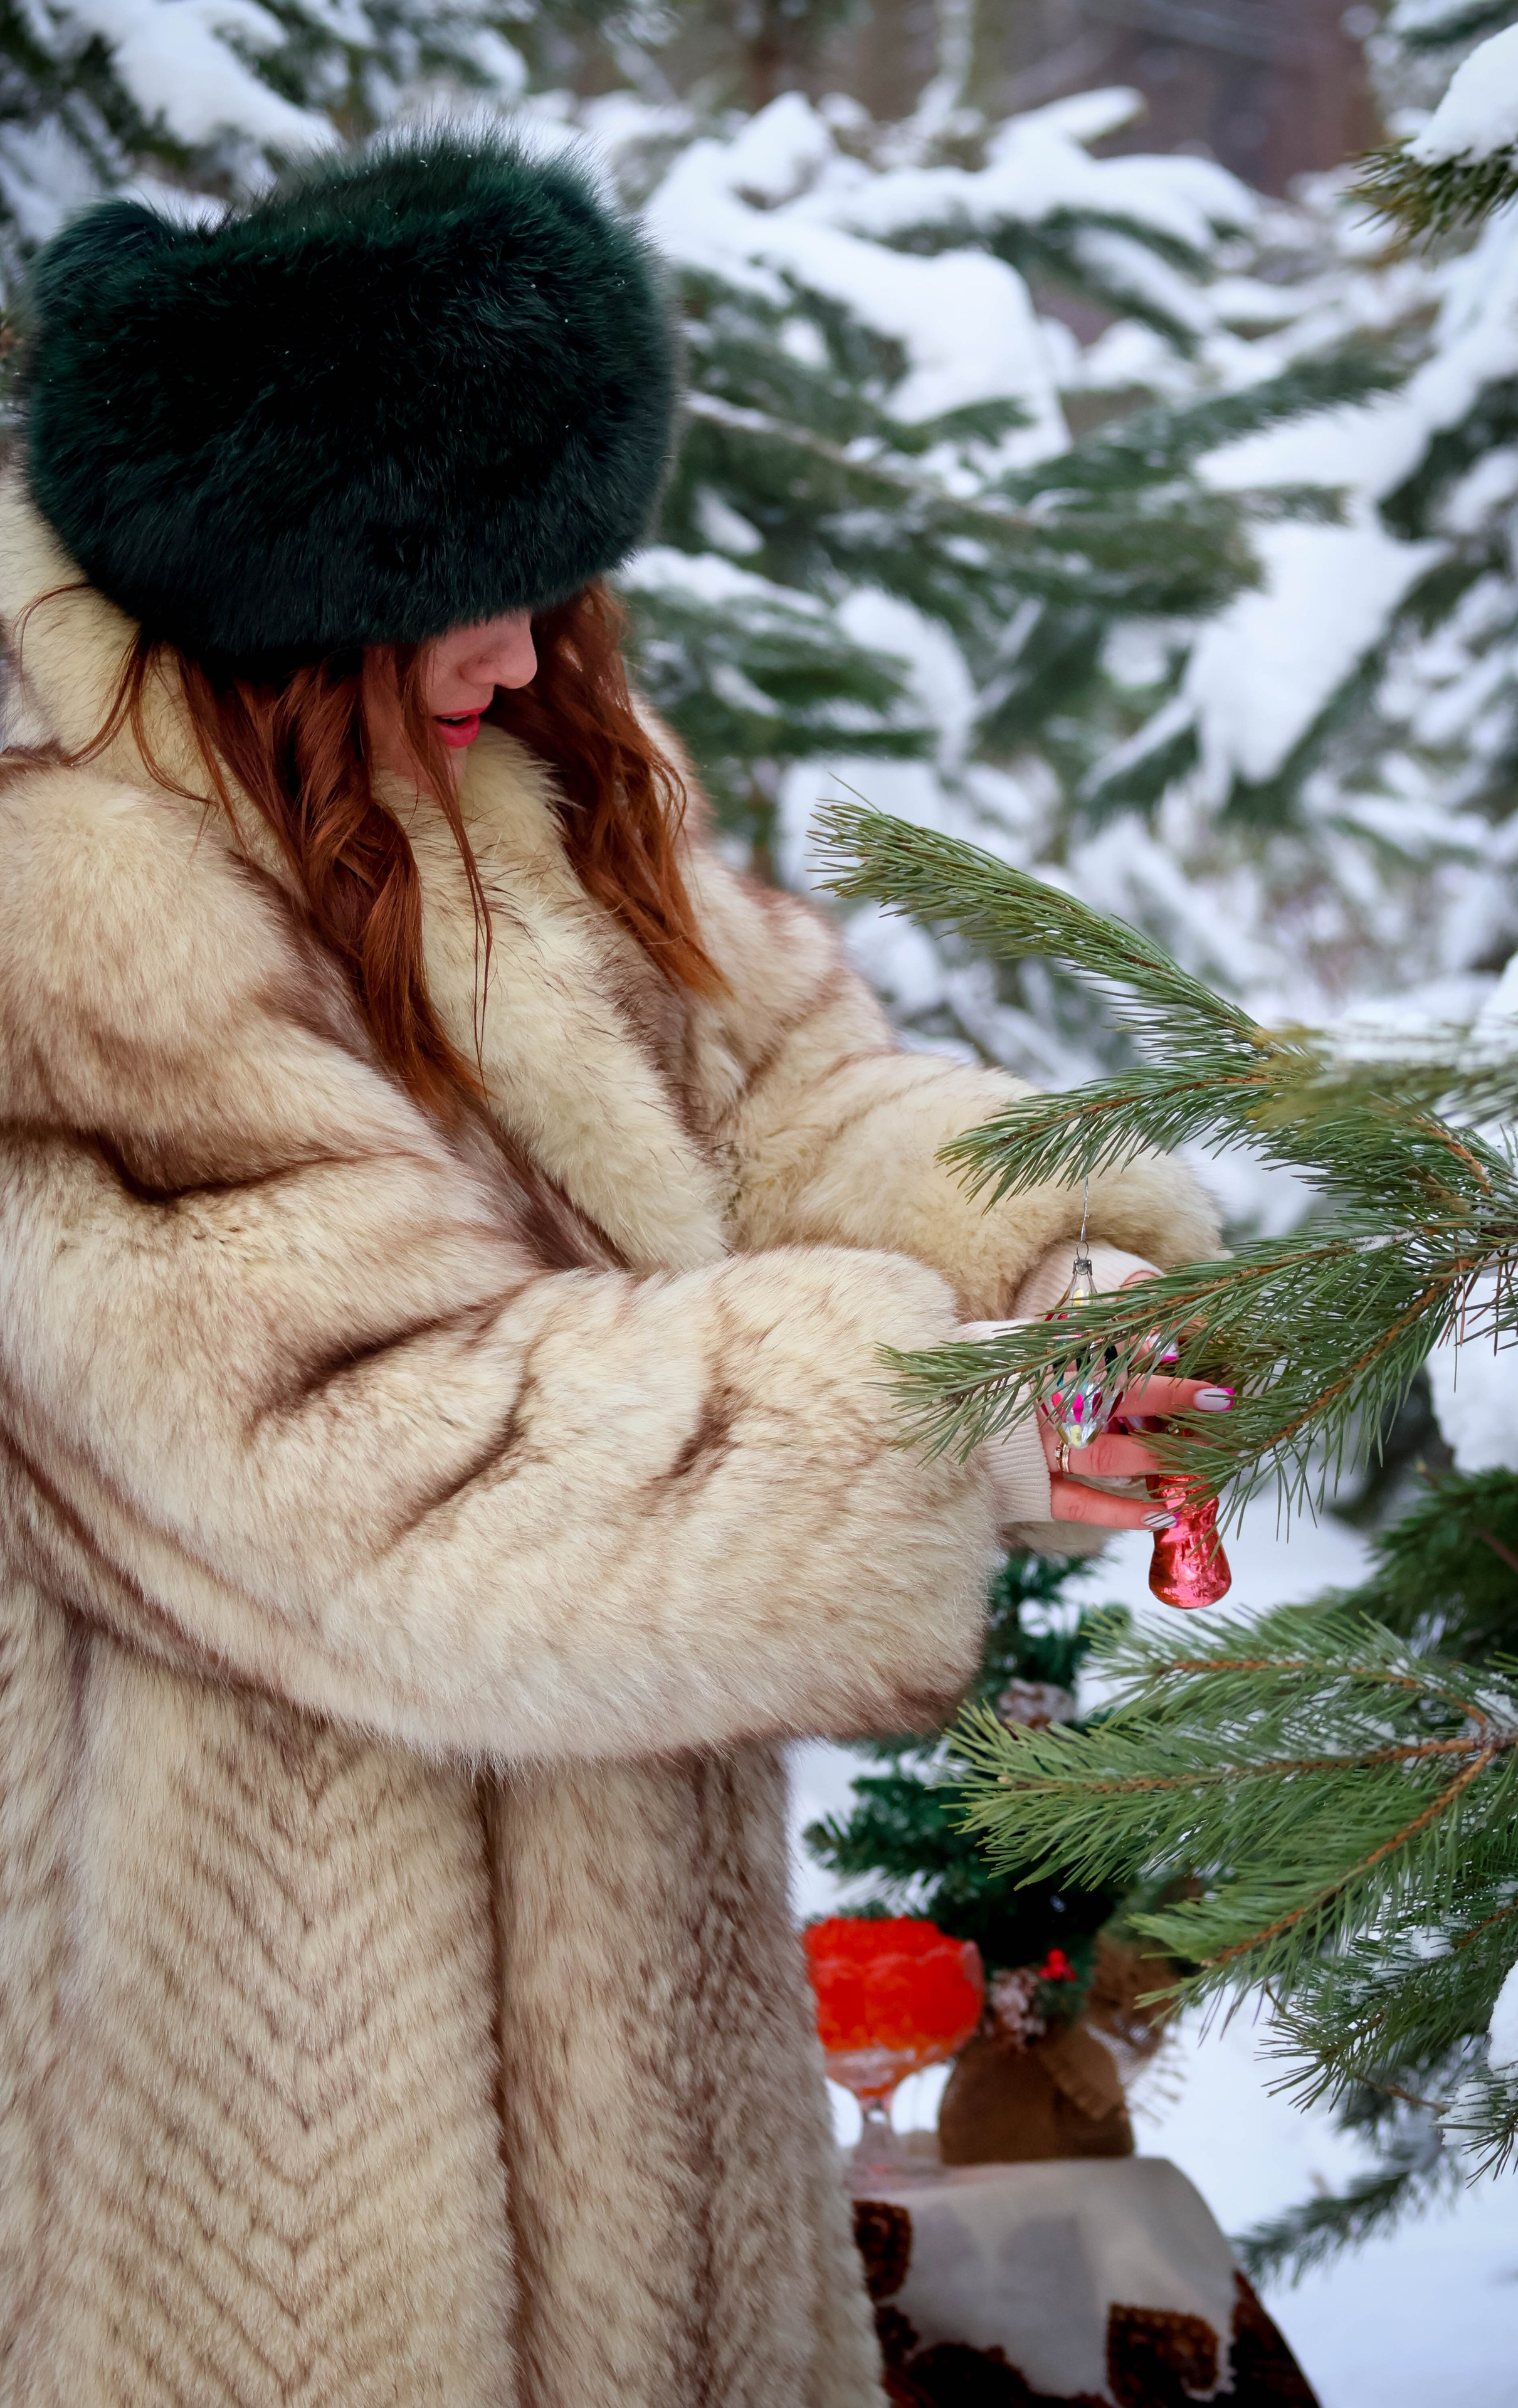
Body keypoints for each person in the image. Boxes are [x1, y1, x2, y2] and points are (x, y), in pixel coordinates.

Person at [0, 134, 1222, 2408]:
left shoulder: (508, 765)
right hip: (276, 2120)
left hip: (641, 2053)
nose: (541, 642)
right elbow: (368, 1467)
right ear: (294, 584)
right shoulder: (70, 920)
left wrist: (1045, 1255)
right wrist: (942, 1432)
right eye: (477, 581)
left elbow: (773, 1107)